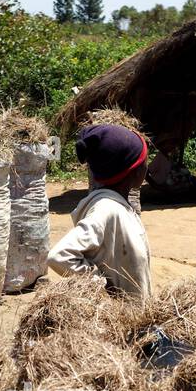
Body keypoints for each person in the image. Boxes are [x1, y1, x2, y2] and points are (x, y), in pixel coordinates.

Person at [47, 123, 152, 299]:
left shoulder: (121, 207)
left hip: (136, 317)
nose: (147, 168)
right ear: (132, 171)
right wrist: (100, 286)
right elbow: (59, 255)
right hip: (122, 320)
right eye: (144, 162)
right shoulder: (106, 209)